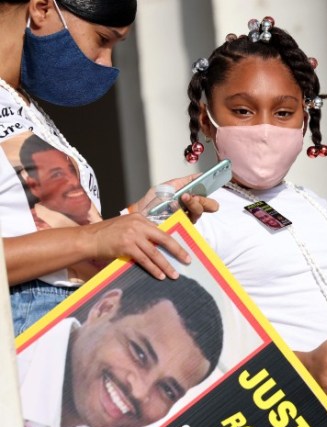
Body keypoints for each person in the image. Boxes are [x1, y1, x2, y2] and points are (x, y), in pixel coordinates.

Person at [0, 0, 218, 336]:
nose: (107, 63)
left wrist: (139, 217)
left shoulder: (26, 107)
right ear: (42, 8)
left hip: (73, 321)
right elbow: (86, 242)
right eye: (103, 40)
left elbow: (56, 236)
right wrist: (93, 239)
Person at [186, 18, 327, 402]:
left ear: (306, 117)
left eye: (283, 113)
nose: (265, 129)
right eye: (243, 111)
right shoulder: (201, 216)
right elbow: (190, 348)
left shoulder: (316, 206)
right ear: (207, 119)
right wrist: (305, 367)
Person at [17, 266, 224, 427]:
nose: (139, 391)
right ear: (104, 309)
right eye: (140, 353)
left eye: (168, 390)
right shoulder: (16, 346)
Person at [18, 134, 99, 228]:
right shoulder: (31, 227)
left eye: (72, 170)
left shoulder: (89, 215)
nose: (75, 181)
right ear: (34, 186)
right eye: (57, 175)